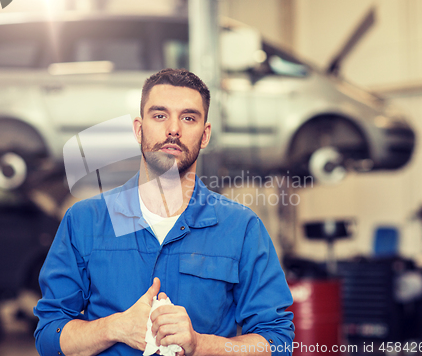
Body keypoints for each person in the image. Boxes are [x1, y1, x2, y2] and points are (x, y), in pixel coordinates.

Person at [34, 68, 294, 356]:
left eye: (188, 117)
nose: (173, 129)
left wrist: (200, 344)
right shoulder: (84, 222)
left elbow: (278, 342)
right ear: (138, 128)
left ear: (205, 135)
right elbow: (49, 336)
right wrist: (115, 328)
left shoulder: (241, 228)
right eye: (160, 115)